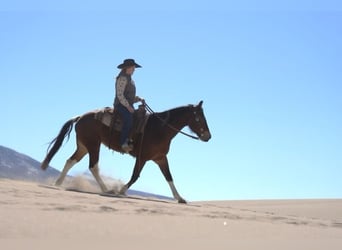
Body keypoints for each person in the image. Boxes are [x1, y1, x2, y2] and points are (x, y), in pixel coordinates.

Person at [113, 59, 144, 152]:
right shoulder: (122, 78)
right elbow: (120, 95)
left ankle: (131, 139)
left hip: (127, 105)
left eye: (134, 68)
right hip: (120, 105)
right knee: (129, 119)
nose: (134, 70)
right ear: (127, 68)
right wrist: (128, 106)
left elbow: (130, 97)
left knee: (138, 118)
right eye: (133, 68)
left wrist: (139, 99)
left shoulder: (130, 80)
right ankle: (123, 143)